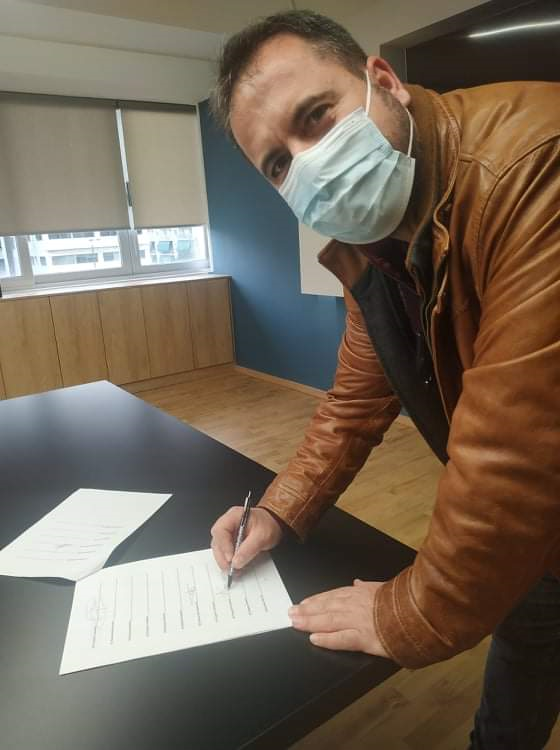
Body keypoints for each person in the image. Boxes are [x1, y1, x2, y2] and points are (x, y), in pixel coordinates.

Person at [208, 10, 560, 749]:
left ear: (383, 80)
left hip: (533, 501)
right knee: (515, 693)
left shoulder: (536, 163)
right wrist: (277, 510)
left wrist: (412, 610)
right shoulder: (378, 243)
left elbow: (518, 452)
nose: (308, 163)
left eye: (316, 116)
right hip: (534, 541)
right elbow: (353, 404)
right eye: (278, 165)